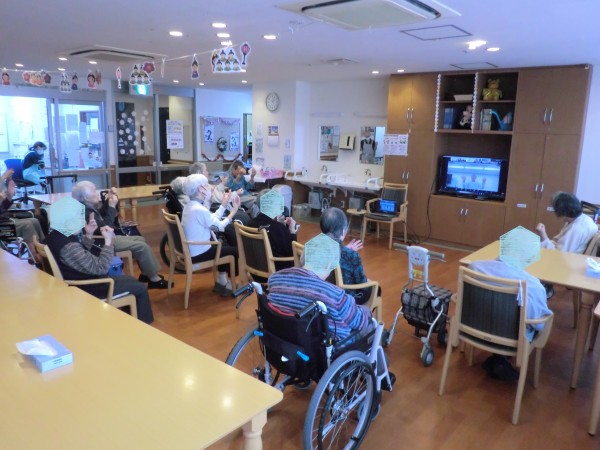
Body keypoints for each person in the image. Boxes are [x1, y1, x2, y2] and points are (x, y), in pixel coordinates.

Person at [45, 212, 154, 324]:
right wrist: (108, 242)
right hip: (87, 289)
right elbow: (102, 268)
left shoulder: (53, 237)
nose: (83, 223)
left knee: (130, 280)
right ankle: (144, 327)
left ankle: (130, 322)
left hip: (77, 284)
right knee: (140, 288)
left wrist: (89, 234)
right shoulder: (69, 247)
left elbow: (81, 258)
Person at [267, 233, 373, 341]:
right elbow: (361, 322)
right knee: (367, 314)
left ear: (303, 257)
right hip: (325, 345)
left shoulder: (275, 279)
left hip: (286, 339)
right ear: (329, 265)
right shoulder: (335, 295)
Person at [71, 181, 168, 289]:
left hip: (102, 239)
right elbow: (106, 228)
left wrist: (109, 200)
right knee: (141, 246)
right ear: (85, 197)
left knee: (140, 239)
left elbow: (101, 216)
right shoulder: (86, 212)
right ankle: (154, 279)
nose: (97, 193)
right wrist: (112, 207)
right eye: (94, 191)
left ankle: (146, 273)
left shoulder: (86, 207)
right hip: (101, 243)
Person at [468, 259, 553, 380]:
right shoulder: (534, 285)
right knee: (536, 322)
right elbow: (538, 325)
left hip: (475, 329)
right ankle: (501, 356)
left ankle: (499, 357)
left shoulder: (474, 268)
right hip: (513, 339)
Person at [181, 174, 240, 296]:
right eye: (206, 185)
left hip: (193, 250)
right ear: (200, 189)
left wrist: (223, 204)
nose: (210, 187)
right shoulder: (199, 209)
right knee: (235, 251)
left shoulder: (190, 206)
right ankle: (230, 285)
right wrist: (233, 211)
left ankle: (221, 282)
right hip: (200, 253)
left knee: (224, 247)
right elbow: (219, 227)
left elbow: (211, 220)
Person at [320, 207, 377, 305]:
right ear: (343, 231)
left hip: (322, 292)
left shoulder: (313, 248)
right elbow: (361, 284)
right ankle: (364, 314)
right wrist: (369, 282)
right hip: (344, 297)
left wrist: (345, 249)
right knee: (375, 287)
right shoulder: (351, 255)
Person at [247, 189, 299, 272]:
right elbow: (292, 252)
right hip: (276, 272)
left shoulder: (249, 223)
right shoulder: (279, 229)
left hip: (253, 269)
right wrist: (292, 231)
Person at [0, 170, 45, 261]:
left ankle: (44, 248)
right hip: (2, 227)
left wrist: (9, 196)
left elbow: (3, 208)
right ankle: (34, 254)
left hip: (5, 220)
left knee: (35, 221)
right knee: (27, 224)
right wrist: (3, 178)